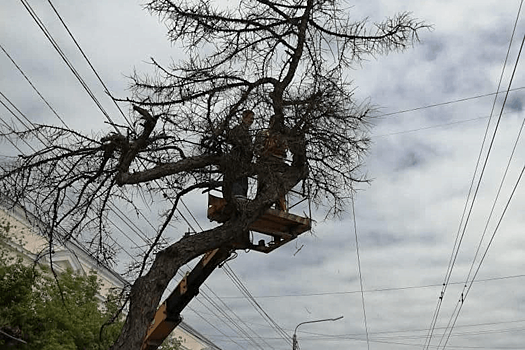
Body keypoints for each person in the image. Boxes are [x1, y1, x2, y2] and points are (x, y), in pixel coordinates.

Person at [255, 116, 288, 211]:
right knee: (263, 186)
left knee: (279, 188)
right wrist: (268, 150)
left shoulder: (282, 137)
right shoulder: (263, 133)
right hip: (265, 163)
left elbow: (284, 151)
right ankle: (258, 207)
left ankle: (281, 208)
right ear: (271, 122)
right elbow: (257, 149)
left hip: (278, 164)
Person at [225, 110, 254, 199]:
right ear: (244, 117)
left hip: (245, 163)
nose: (252, 120)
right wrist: (241, 144)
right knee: (237, 180)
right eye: (250, 118)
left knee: (243, 181)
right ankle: (237, 196)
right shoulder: (238, 129)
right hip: (237, 160)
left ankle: (241, 197)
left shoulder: (248, 133)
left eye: (253, 119)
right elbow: (230, 138)